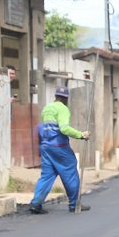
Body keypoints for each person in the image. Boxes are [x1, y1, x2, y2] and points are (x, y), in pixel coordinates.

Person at [28, 86, 91, 214]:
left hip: (46, 147)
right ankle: (74, 204)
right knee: (70, 171)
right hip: (59, 147)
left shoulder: (47, 108)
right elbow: (64, 129)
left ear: (55, 96)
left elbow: (44, 127)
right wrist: (81, 135)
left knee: (46, 176)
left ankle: (36, 203)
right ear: (66, 98)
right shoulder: (63, 109)